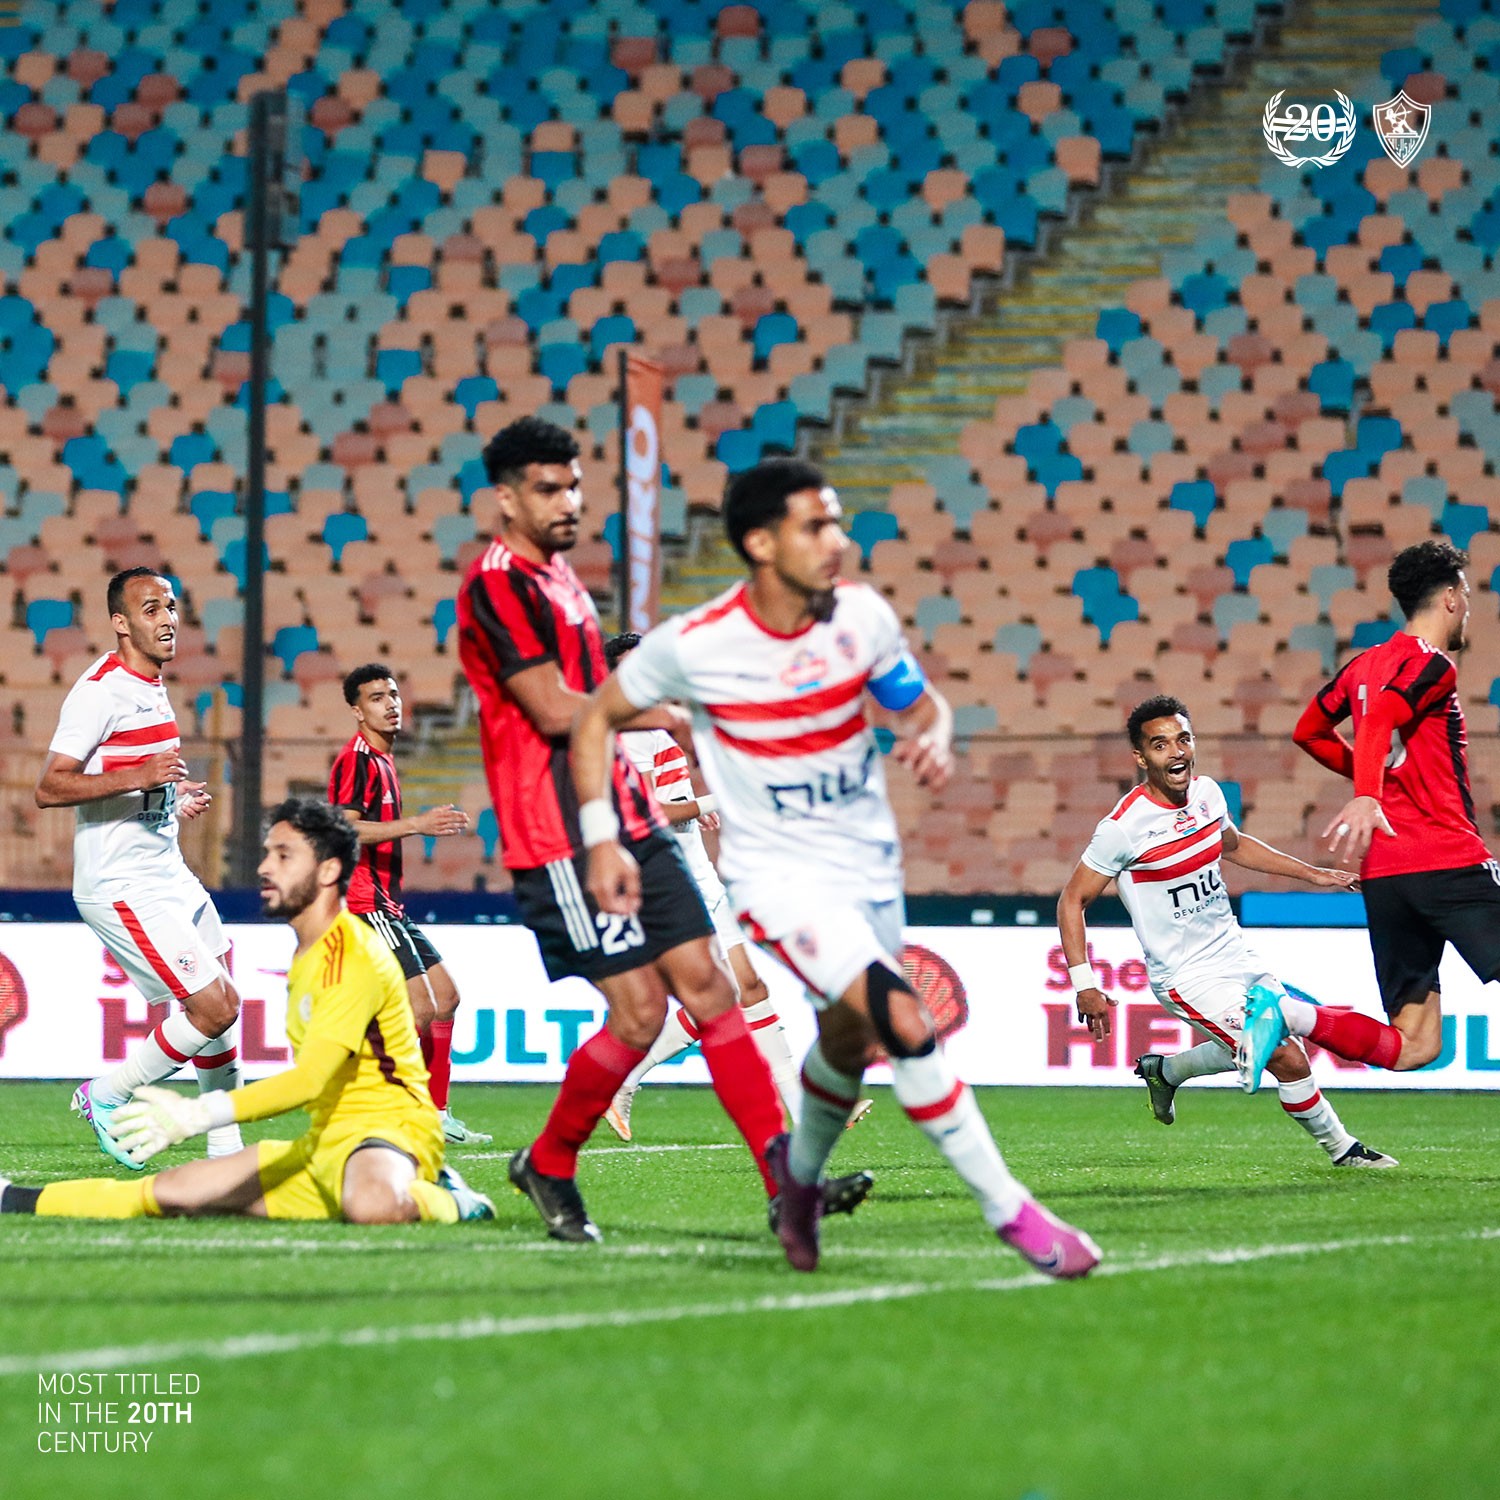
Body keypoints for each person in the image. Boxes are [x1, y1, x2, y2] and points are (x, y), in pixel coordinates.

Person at [572, 456, 1099, 1277]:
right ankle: (1014, 1214)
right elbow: (592, 719)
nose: (837, 542)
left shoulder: (861, 616)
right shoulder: (696, 643)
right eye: (816, 526)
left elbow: (917, 700)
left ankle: (800, 1191)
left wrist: (935, 728)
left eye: (837, 522)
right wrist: (603, 835)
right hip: (775, 879)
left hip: (868, 870)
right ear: (759, 541)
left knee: (845, 1044)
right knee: (904, 1020)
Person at [455, 417, 814, 1247]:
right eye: (548, 488)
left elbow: (601, 703)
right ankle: (549, 1160)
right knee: (638, 1014)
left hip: (627, 814)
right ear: (506, 499)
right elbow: (551, 710)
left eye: (574, 484)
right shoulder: (499, 586)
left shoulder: (566, 581)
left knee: (715, 988)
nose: (569, 501)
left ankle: (785, 1184)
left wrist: (679, 718)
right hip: (562, 834)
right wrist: (665, 718)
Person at [0, 798, 492, 1224]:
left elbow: (310, 1081)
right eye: (267, 854)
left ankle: (449, 1195)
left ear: (327, 871)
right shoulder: (308, 952)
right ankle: (11, 1197)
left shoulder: (353, 954)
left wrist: (199, 1113)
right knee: (165, 1194)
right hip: (324, 1146)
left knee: (372, 1205)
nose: (264, 868)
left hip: (393, 1135)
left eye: (284, 856)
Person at [1058, 696, 1395, 1167]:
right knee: (1285, 1054)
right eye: (1160, 745)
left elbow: (1234, 846)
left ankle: (1166, 1070)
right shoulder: (1123, 828)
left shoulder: (1208, 794)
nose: (1176, 753)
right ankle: (1345, 1152)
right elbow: (1071, 900)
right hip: (1187, 975)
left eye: (1183, 739)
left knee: (1275, 1042)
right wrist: (1084, 985)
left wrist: (1312, 874)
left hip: (1235, 952)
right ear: (1141, 758)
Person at [1243, 539, 1500, 1084]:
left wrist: (1370, 778)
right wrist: (1367, 793)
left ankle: (1290, 1012)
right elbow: (1384, 712)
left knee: (1416, 1045)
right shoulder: (1435, 666)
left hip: (1385, 873)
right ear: (1452, 598)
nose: (1469, 608)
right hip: (1447, 859)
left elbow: (1308, 730)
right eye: (1469, 596)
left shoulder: (1363, 664)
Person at [599, 632, 871, 1143]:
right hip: (670, 883)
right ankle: (801, 1107)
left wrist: (693, 808)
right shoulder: (625, 736)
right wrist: (708, 802)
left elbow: (669, 806)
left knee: (743, 991)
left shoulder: (658, 731)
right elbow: (646, 814)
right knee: (737, 990)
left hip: (699, 876)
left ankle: (626, 1084)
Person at [36, 567, 242, 1170]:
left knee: (224, 992)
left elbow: (133, 784)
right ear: (122, 624)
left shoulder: (151, 685)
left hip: (165, 867)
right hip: (120, 882)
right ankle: (107, 1092)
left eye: (172, 606)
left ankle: (225, 1146)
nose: (168, 619)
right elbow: (50, 786)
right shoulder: (101, 689)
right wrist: (141, 778)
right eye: (151, 609)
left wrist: (172, 802)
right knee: (214, 1007)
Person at [330, 663, 490, 1146]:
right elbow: (344, 828)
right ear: (357, 711)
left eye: (394, 694)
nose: (390, 704)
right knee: (418, 1009)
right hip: (365, 900)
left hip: (389, 903)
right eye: (377, 697)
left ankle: (433, 1114)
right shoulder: (357, 760)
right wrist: (416, 825)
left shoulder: (383, 758)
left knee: (447, 1000)